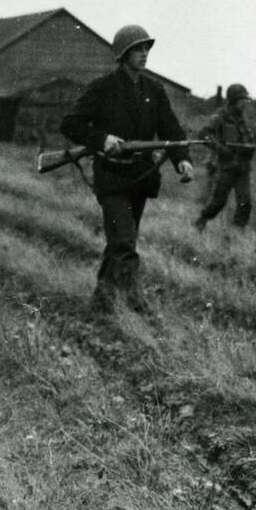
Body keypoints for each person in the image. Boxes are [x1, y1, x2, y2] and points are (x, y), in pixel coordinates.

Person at [60, 24, 195, 315]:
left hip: (141, 178)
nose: (144, 54)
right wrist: (102, 139)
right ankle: (136, 302)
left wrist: (182, 160)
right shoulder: (102, 88)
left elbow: (171, 129)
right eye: (138, 49)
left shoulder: (154, 90)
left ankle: (102, 299)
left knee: (121, 241)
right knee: (123, 241)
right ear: (123, 54)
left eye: (147, 48)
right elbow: (70, 124)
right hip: (111, 177)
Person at [194, 83, 256, 231]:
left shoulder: (243, 120)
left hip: (242, 166)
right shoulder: (220, 117)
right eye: (242, 99)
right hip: (225, 166)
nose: (245, 103)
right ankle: (202, 220)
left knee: (245, 201)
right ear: (234, 99)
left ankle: (238, 232)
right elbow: (204, 134)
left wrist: (249, 148)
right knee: (218, 202)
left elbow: (249, 140)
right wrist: (221, 149)